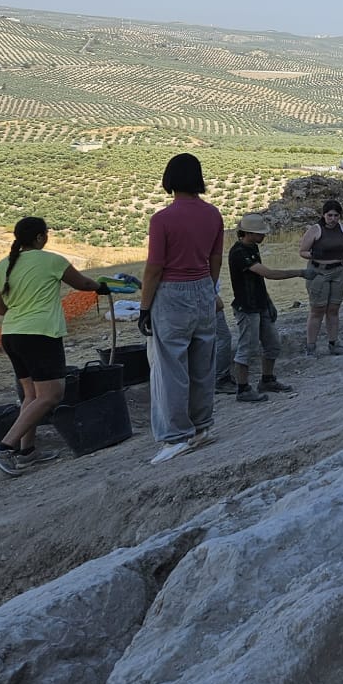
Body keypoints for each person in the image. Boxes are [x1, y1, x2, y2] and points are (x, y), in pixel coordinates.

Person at [0, 217, 111, 476]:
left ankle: (27, 453)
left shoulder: (3, 264)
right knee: (51, 396)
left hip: (12, 334)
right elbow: (82, 283)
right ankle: (4, 448)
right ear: (40, 238)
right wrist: (102, 287)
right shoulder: (52, 260)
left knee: (31, 396)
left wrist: (18, 314)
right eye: (46, 234)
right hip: (40, 335)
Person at [138, 153, 225, 464]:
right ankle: (201, 426)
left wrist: (144, 308)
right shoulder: (213, 214)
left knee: (169, 368)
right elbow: (215, 258)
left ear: (170, 179)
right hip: (203, 286)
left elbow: (154, 268)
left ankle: (176, 436)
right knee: (203, 363)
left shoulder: (162, 219)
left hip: (171, 295)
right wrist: (209, 287)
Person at [228, 213, 307, 398]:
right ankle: (243, 388)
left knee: (272, 344)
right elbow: (268, 274)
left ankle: (267, 379)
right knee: (246, 348)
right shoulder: (239, 252)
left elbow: (258, 280)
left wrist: (268, 301)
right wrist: (299, 272)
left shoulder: (251, 247)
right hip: (247, 307)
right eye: (260, 233)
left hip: (259, 304)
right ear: (248, 233)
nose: (264, 236)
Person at [298, 199, 343, 355]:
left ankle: (334, 343)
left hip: (339, 271)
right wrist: (314, 254)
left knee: (334, 309)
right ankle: (311, 346)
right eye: (330, 215)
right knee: (317, 310)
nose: (333, 219)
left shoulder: (342, 228)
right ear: (324, 215)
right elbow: (302, 251)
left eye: (336, 215)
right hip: (319, 272)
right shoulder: (315, 230)